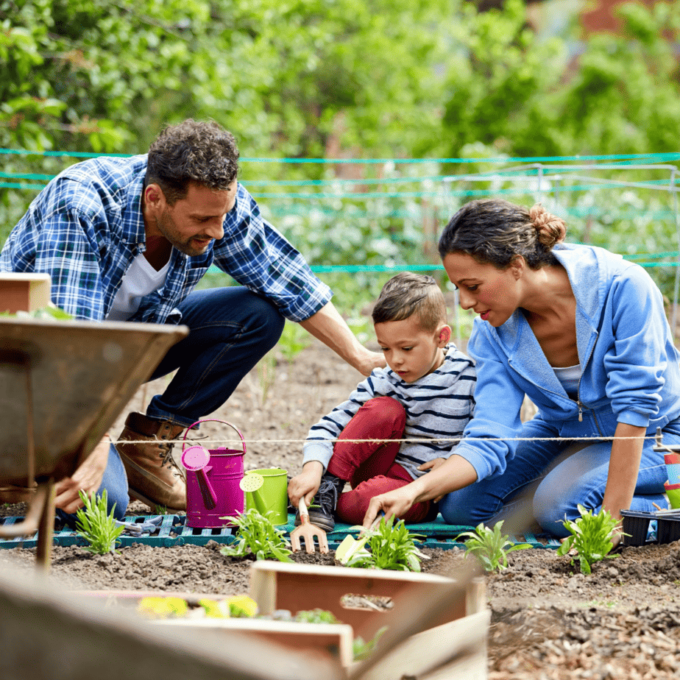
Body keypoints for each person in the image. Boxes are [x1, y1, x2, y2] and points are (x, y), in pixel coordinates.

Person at [0, 119, 384, 521]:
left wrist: (361, 356)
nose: (217, 231)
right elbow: (65, 341)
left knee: (256, 316)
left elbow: (285, 277)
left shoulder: (214, 205)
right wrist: (91, 444)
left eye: (223, 215)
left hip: (121, 349)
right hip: (30, 371)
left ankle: (145, 450)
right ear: (155, 199)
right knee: (102, 500)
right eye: (202, 220)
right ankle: (19, 468)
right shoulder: (81, 204)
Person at [362, 199, 680, 538]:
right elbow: (492, 429)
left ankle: (660, 505)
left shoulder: (623, 287)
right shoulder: (492, 329)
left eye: (473, 286)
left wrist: (612, 521)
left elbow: (635, 408)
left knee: (562, 508)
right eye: (458, 289)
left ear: (516, 266)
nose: (465, 303)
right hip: (564, 432)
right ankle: (565, 488)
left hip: (658, 435)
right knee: (460, 507)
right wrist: (415, 490)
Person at [287, 272, 476, 531]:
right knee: (384, 409)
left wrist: (452, 463)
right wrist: (312, 469)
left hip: (418, 490)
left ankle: (313, 501)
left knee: (368, 502)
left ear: (441, 337)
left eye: (406, 348)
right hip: (376, 465)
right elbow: (329, 426)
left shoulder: (469, 378)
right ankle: (324, 490)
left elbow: (484, 438)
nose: (394, 360)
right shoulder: (386, 378)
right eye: (385, 348)